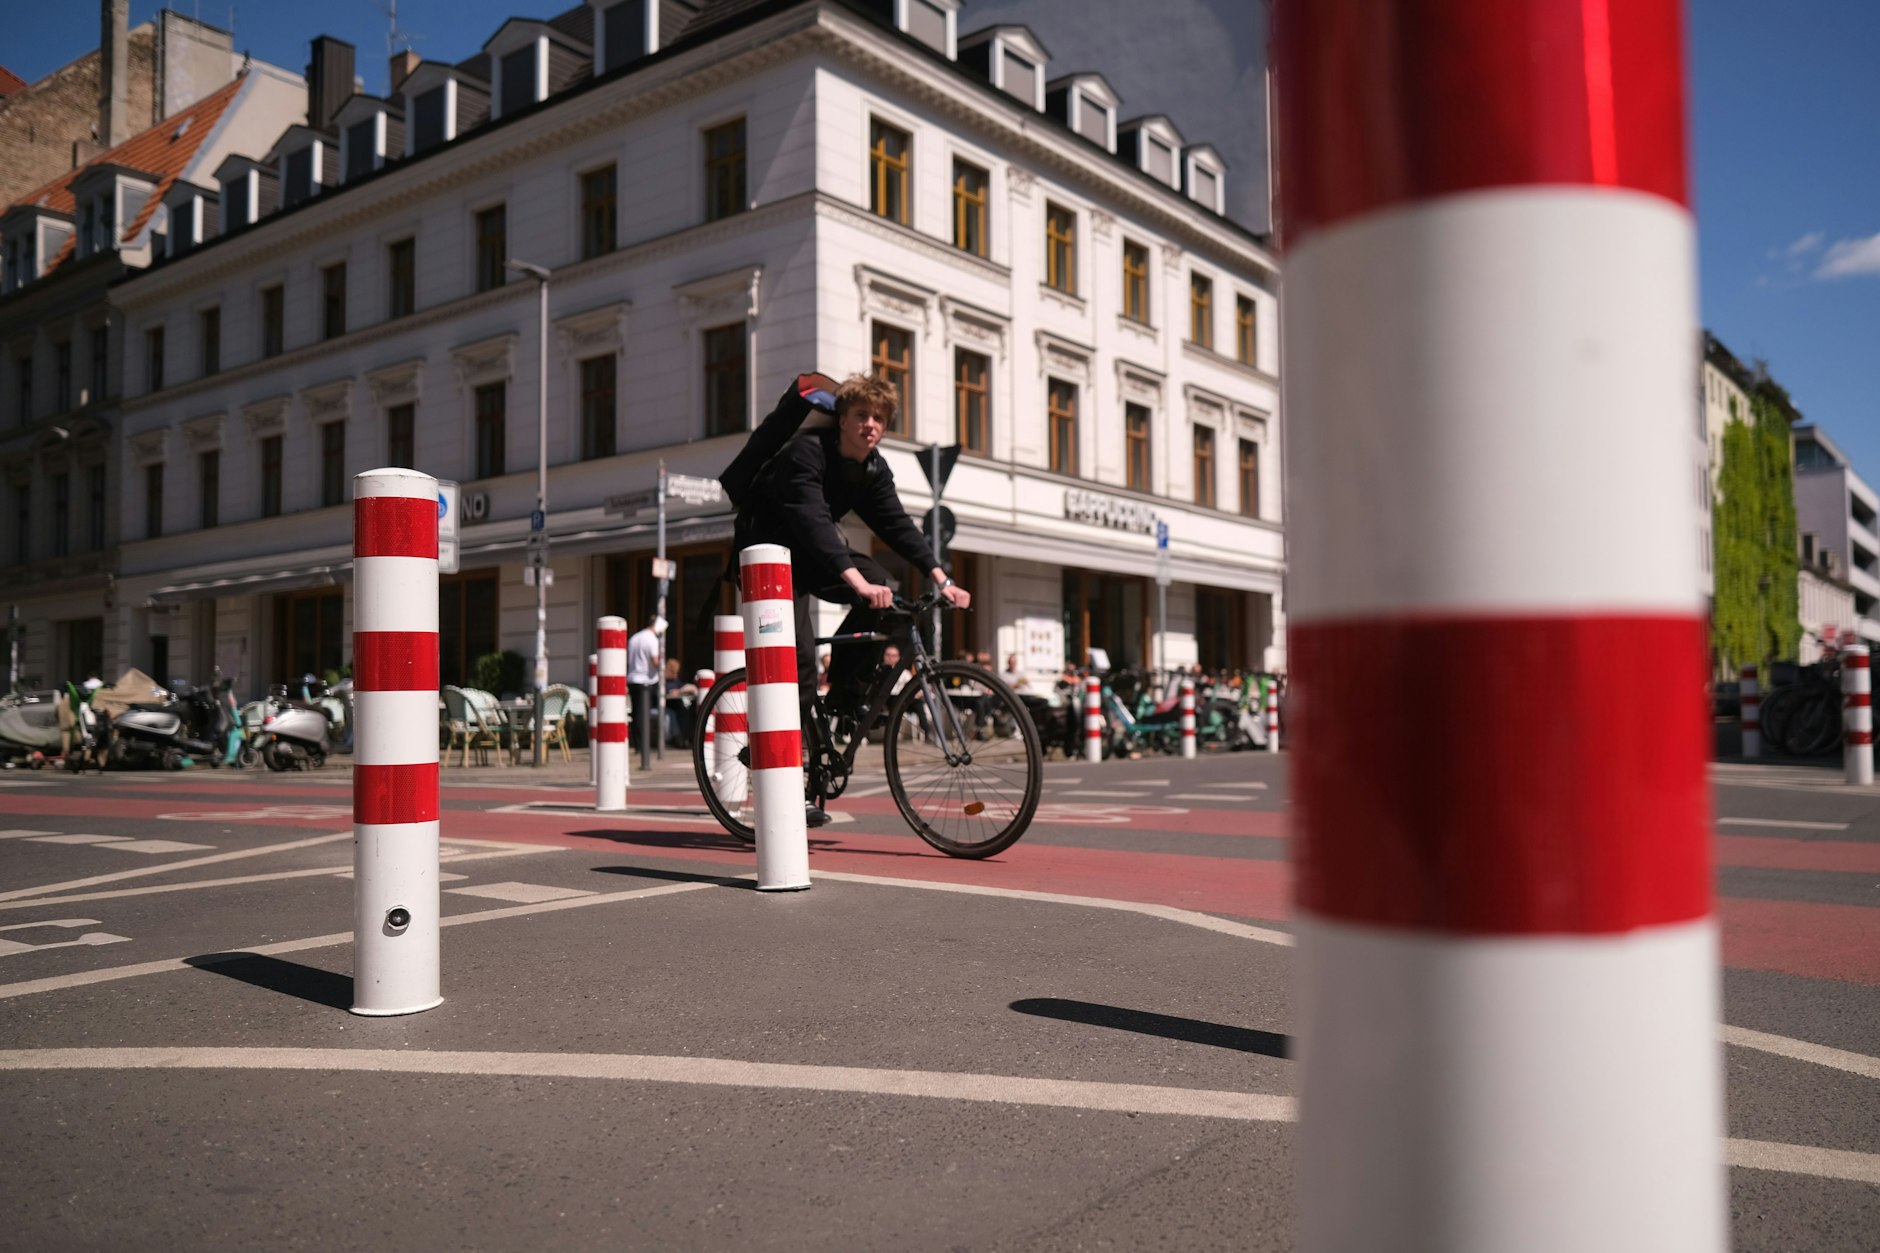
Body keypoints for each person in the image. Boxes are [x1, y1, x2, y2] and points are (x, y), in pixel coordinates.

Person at [732, 373, 969, 820]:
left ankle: (842, 696)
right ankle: (790, 780)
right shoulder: (806, 453)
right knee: (798, 662)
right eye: (861, 415)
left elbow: (898, 526)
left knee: (893, 595)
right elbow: (814, 522)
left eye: (879, 418)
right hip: (769, 559)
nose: (870, 425)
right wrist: (857, 585)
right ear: (842, 420)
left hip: (815, 555)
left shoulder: (873, 468)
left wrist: (942, 578)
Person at [625, 614, 662, 753]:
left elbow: (629, 659)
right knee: (644, 714)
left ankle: (638, 745)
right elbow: (655, 661)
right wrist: (663, 666)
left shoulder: (634, 638)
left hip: (633, 679)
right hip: (647, 681)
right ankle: (646, 747)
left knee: (636, 713)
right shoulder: (652, 639)